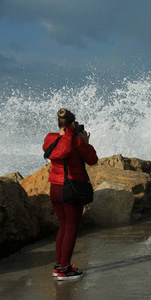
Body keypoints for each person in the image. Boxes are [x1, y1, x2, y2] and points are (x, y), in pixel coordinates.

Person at [42, 108, 98, 281]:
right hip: (71, 189)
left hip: (55, 188)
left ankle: (59, 266)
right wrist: (85, 142)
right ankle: (64, 270)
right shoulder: (76, 142)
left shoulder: (50, 139)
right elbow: (92, 160)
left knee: (63, 227)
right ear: (73, 124)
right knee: (71, 228)